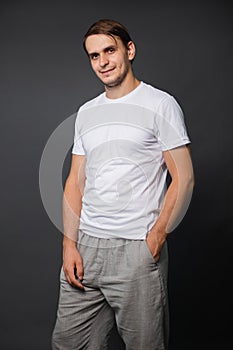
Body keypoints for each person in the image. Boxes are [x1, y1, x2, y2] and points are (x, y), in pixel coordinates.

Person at [52, 19, 194, 350]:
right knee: (68, 344)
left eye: (110, 50)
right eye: (94, 55)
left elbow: (183, 178)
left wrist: (155, 239)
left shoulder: (160, 104)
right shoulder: (87, 112)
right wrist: (69, 244)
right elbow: (76, 181)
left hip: (135, 251)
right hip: (86, 248)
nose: (102, 61)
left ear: (129, 50)